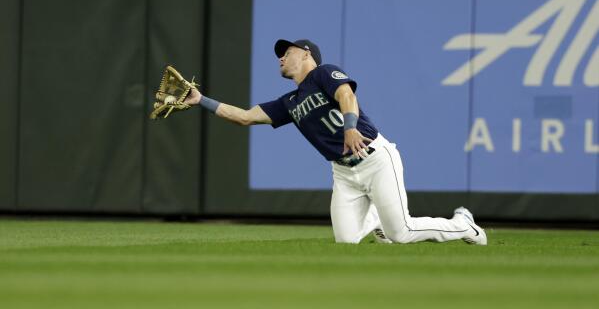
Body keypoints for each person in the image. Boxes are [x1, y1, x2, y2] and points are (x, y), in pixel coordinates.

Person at [185, 38, 487, 245]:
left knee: (402, 232)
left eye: (287, 51)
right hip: (344, 173)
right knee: (346, 242)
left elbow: (346, 95)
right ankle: (376, 219)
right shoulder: (289, 101)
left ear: (306, 54)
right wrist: (201, 100)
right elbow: (245, 116)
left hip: (375, 158)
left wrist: (350, 127)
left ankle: (463, 225)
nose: (281, 57)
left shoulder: (323, 73)